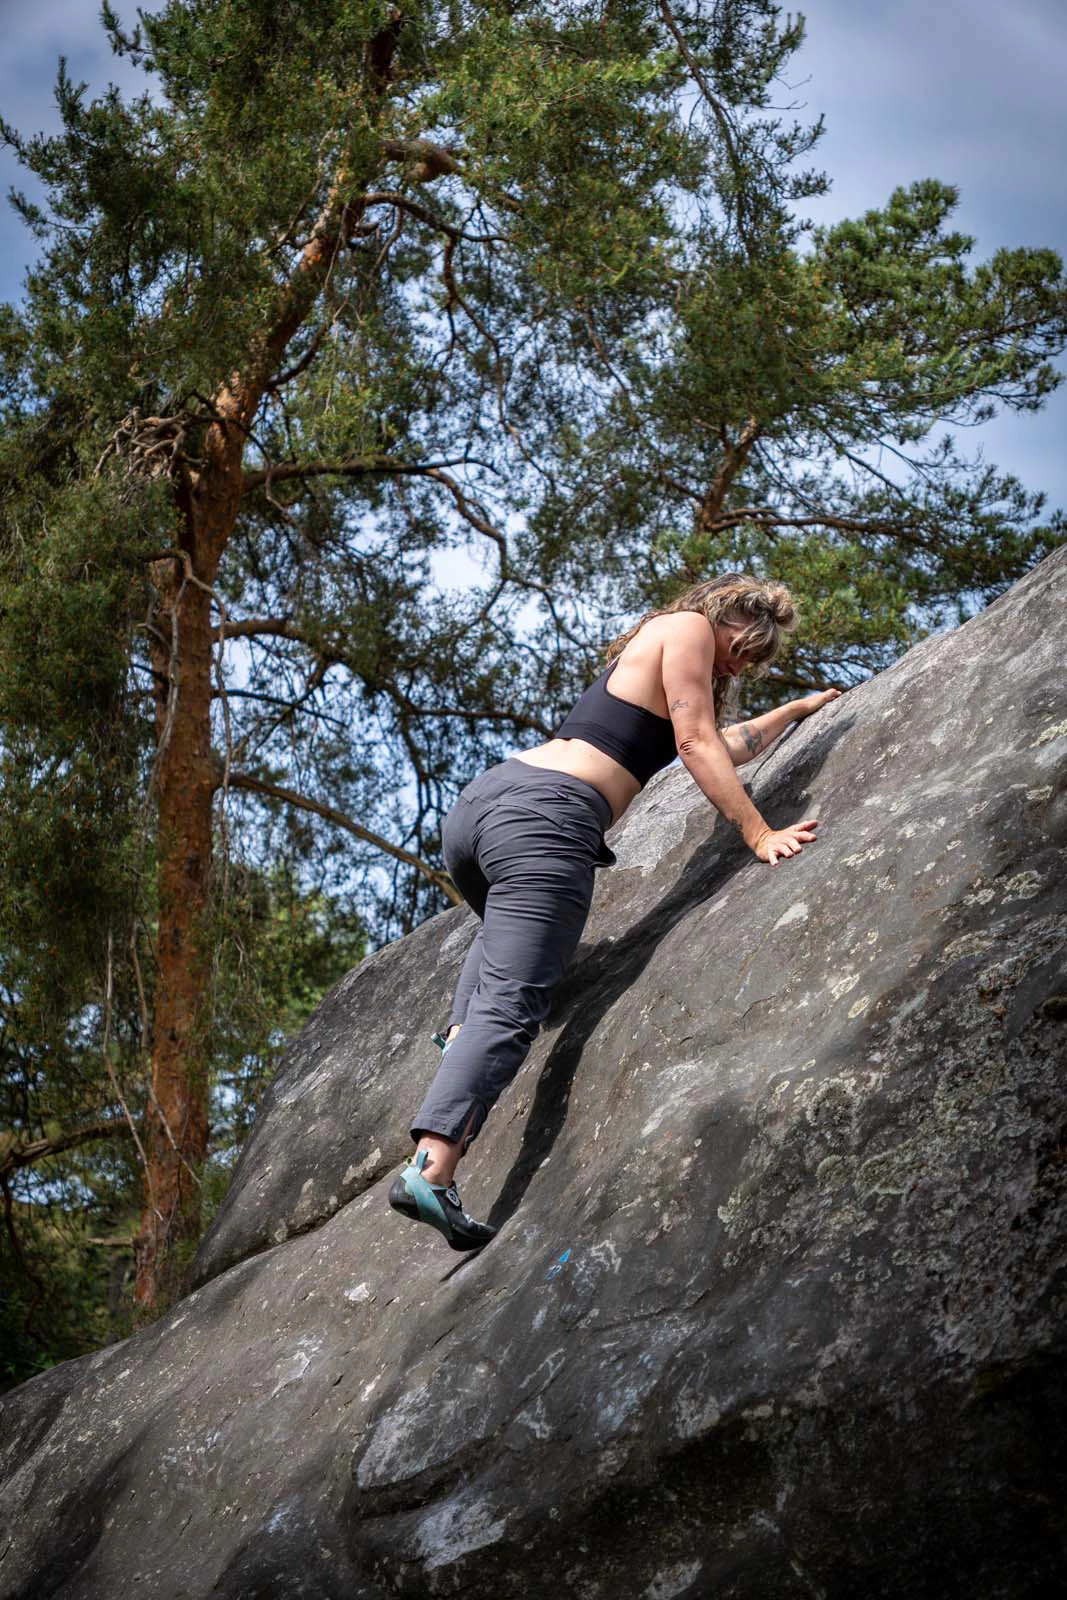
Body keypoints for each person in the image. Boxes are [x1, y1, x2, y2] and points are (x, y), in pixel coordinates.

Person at [388, 574, 840, 1249]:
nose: (742, 663)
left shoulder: (658, 648)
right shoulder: (686, 626)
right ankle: (433, 1169)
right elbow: (695, 745)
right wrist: (757, 832)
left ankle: (460, 1038)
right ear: (724, 615)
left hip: (486, 811)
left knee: (498, 964)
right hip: (548, 818)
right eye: (746, 647)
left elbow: (722, 740)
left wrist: (795, 712)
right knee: (514, 1005)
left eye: (755, 660)